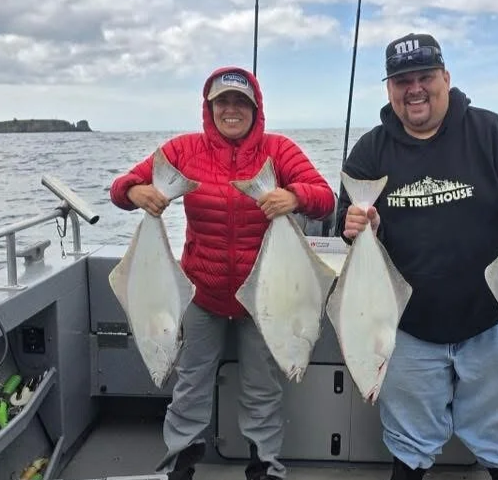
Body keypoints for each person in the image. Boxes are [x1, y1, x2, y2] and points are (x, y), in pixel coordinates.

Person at [335, 33, 498, 480]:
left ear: (446, 77)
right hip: (407, 326)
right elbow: (343, 229)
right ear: (389, 89)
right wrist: (358, 227)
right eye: (402, 81)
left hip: (493, 321)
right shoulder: (370, 151)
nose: (415, 89)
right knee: (409, 442)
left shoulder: (492, 133)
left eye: (425, 77)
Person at [109, 66, 336, 480]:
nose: (231, 109)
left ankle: (265, 466)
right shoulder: (184, 150)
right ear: (209, 108)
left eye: (241, 102)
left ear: (256, 108)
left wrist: (293, 196)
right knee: (190, 384)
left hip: (264, 296)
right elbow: (120, 188)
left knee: (262, 389)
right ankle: (180, 462)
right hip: (202, 293)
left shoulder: (279, 150)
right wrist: (135, 191)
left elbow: (325, 198)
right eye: (222, 102)